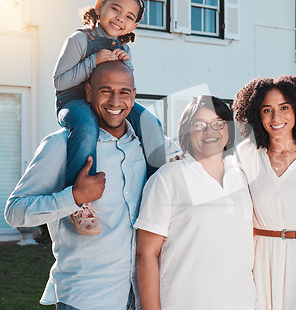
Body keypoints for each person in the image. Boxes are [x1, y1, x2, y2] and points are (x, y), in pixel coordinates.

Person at [4, 61, 179, 310]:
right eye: (105, 91)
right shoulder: (60, 145)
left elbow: (197, 160)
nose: (115, 101)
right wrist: (73, 197)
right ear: (88, 92)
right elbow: (15, 212)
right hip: (87, 298)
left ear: (134, 96)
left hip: (142, 295)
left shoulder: (149, 143)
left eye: (124, 92)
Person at [53, 0, 166, 236]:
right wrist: (94, 61)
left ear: (133, 26)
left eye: (129, 17)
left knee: (151, 124)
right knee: (86, 126)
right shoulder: (80, 39)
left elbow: (125, 86)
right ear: (98, 8)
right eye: (115, 9)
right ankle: (81, 204)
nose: (120, 18)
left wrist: (123, 65)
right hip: (74, 101)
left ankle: (157, 192)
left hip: (108, 102)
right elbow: (60, 81)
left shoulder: (125, 49)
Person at [135, 95, 255, 310]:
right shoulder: (168, 178)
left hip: (240, 302)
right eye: (199, 125)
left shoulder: (242, 176)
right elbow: (146, 255)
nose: (210, 132)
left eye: (218, 123)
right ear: (187, 132)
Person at [233, 76, 296, 310]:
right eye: (267, 110)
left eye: (284, 108)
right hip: (259, 258)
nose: (276, 118)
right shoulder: (247, 154)